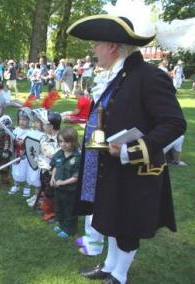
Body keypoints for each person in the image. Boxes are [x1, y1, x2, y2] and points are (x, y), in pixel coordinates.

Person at [67, 15, 186, 283]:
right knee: (112, 219)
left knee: (127, 226)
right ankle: (109, 266)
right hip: (112, 169)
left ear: (111, 45)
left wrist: (128, 151)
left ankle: (119, 275)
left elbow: (174, 123)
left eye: (96, 44)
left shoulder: (149, 76)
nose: (93, 49)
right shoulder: (121, 75)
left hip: (136, 169)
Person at [50, 126, 81, 238]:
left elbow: (77, 176)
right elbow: (55, 166)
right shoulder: (59, 153)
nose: (63, 144)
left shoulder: (77, 157)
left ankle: (69, 230)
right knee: (59, 207)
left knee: (69, 210)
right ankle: (62, 225)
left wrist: (63, 182)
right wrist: (52, 178)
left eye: (66, 142)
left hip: (70, 191)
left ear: (73, 141)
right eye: (60, 141)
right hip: (58, 188)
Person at [8, 107, 32, 195]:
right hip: (17, 155)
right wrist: (14, 141)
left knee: (27, 171)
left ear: (30, 120)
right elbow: (11, 142)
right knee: (16, 170)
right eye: (20, 119)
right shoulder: (16, 130)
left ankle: (27, 186)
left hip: (26, 157)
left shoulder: (31, 132)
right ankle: (16, 185)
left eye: (24, 120)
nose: (21, 121)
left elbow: (32, 145)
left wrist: (24, 143)